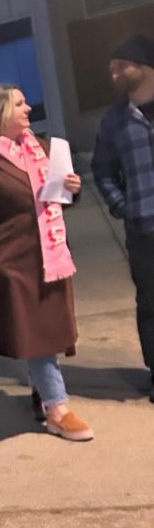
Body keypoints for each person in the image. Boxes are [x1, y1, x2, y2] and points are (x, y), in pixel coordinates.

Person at [0, 83, 92, 441]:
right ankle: (57, 408)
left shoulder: (41, 150)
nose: (28, 108)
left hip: (50, 256)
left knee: (45, 332)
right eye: (19, 103)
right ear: (0, 112)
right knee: (40, 336)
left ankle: (40, 393)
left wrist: (71, 190)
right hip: (13, 264)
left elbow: (54, 200)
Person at [91, 35, 154, 402]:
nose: (113, 75)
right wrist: (123, 207)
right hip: (143, 228)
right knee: (150, 304)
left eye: (120, 67)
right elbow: (102, 170)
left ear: (143, 66)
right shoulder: (115, 120)